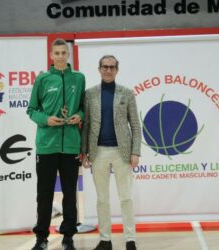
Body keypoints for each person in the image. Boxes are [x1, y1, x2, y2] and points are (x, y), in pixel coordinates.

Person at [27, 38, 85, 250]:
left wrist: (79, 115)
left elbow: (82, 107)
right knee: (45, 194)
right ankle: (41, 237)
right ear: (51, 56)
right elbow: (31, 110)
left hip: (70, 145)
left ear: (68, 54)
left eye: (64, 52)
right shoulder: (43, 79)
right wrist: (46, 120)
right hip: (47, 145)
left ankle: (68, 236)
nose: (60, 56)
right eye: (57, 53)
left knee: (70, 193)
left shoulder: (79, 78)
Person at [81, 55, 141, 250]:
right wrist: (84, 152)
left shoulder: (127, 93)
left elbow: (135, 125)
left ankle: (130, 239)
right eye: (105, 67)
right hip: (97, 152)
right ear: (99, 69)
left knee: (126, 197)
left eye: (112, 67)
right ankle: (105, 240)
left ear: (117, 70)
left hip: (122, 152)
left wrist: (136, 151)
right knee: (102, 199)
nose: (108, 70)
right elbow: (86, 125)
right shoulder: (89, 94)